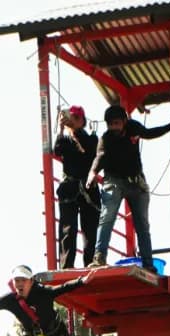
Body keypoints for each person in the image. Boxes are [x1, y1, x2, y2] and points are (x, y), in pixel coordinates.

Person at [87, 104, 170, 272]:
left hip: (136, 182)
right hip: (114, 181)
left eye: (117, 123)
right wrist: (92, 173)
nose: (114, 127)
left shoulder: (134, 127)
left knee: (142, 225)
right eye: (111, 124)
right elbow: (100, 158)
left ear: (124, 122)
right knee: (107, 217)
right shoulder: (106, 139)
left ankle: (148, 263)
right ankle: (99, 257)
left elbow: (149, 133)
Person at [53, 106, 101, 269]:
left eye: (76, 118)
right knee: (68, 228)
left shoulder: (92, 139)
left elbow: (88, 150)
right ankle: (67, 265)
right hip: (70, 187)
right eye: (71, 117)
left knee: (90, 229)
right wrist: (61, 129)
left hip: (88, 188)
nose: (72, 120)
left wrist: (75, 130)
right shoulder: (65, 140)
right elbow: (57, 150)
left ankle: (91, 262)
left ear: (82, 121)